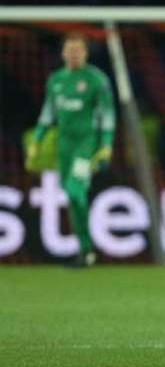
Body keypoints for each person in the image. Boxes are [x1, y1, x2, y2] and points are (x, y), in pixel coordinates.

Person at [25, 32, 116, 267]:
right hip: (63, 146)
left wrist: (106, 145)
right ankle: (85, 252)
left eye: (78, 51)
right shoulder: (55, 81)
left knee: (76, 191)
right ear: (63, 53)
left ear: (85, 53)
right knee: (71, 194)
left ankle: (87, 248)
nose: (74, 55)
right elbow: (48, 114)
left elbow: (107, 115)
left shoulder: (97, 80)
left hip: (85, 145)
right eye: (70, 50)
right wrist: (36, 140)